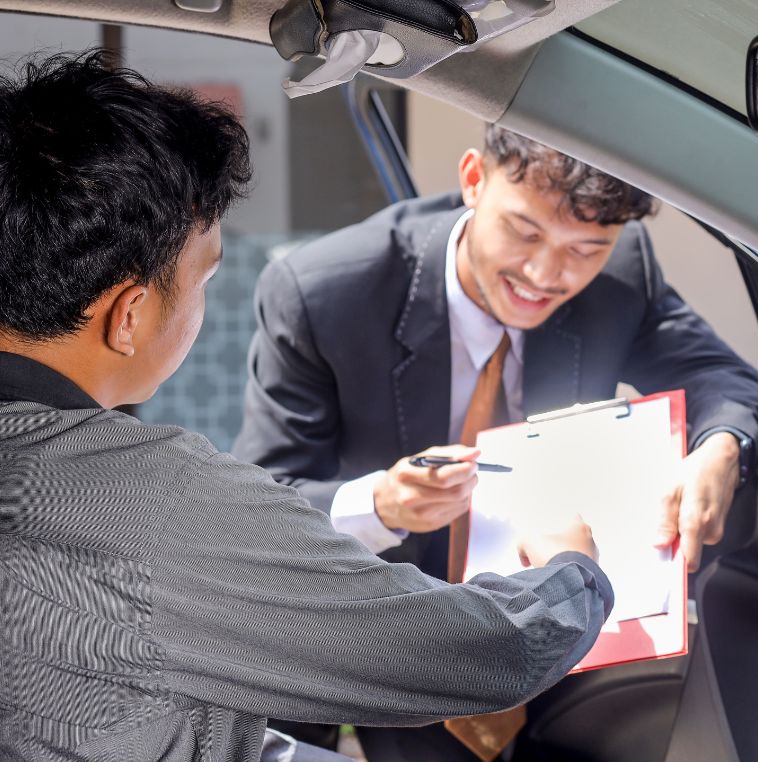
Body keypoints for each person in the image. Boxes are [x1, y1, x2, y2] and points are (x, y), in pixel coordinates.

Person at [0, 51, 614, 762]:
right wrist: (573, 574)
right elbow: (464, 654)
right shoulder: (151, 499)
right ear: (129, 315)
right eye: (206, 279)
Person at [233, 125, 758, 758]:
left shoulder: (623, 274)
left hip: (575, 609)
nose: (546, 274)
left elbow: (724, 378)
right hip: (399, 625)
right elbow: (264, 505)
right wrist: (379, 505)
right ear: (473, 180)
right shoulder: (325, 293)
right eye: (525, 232)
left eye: (586, 249)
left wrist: (720, 448)